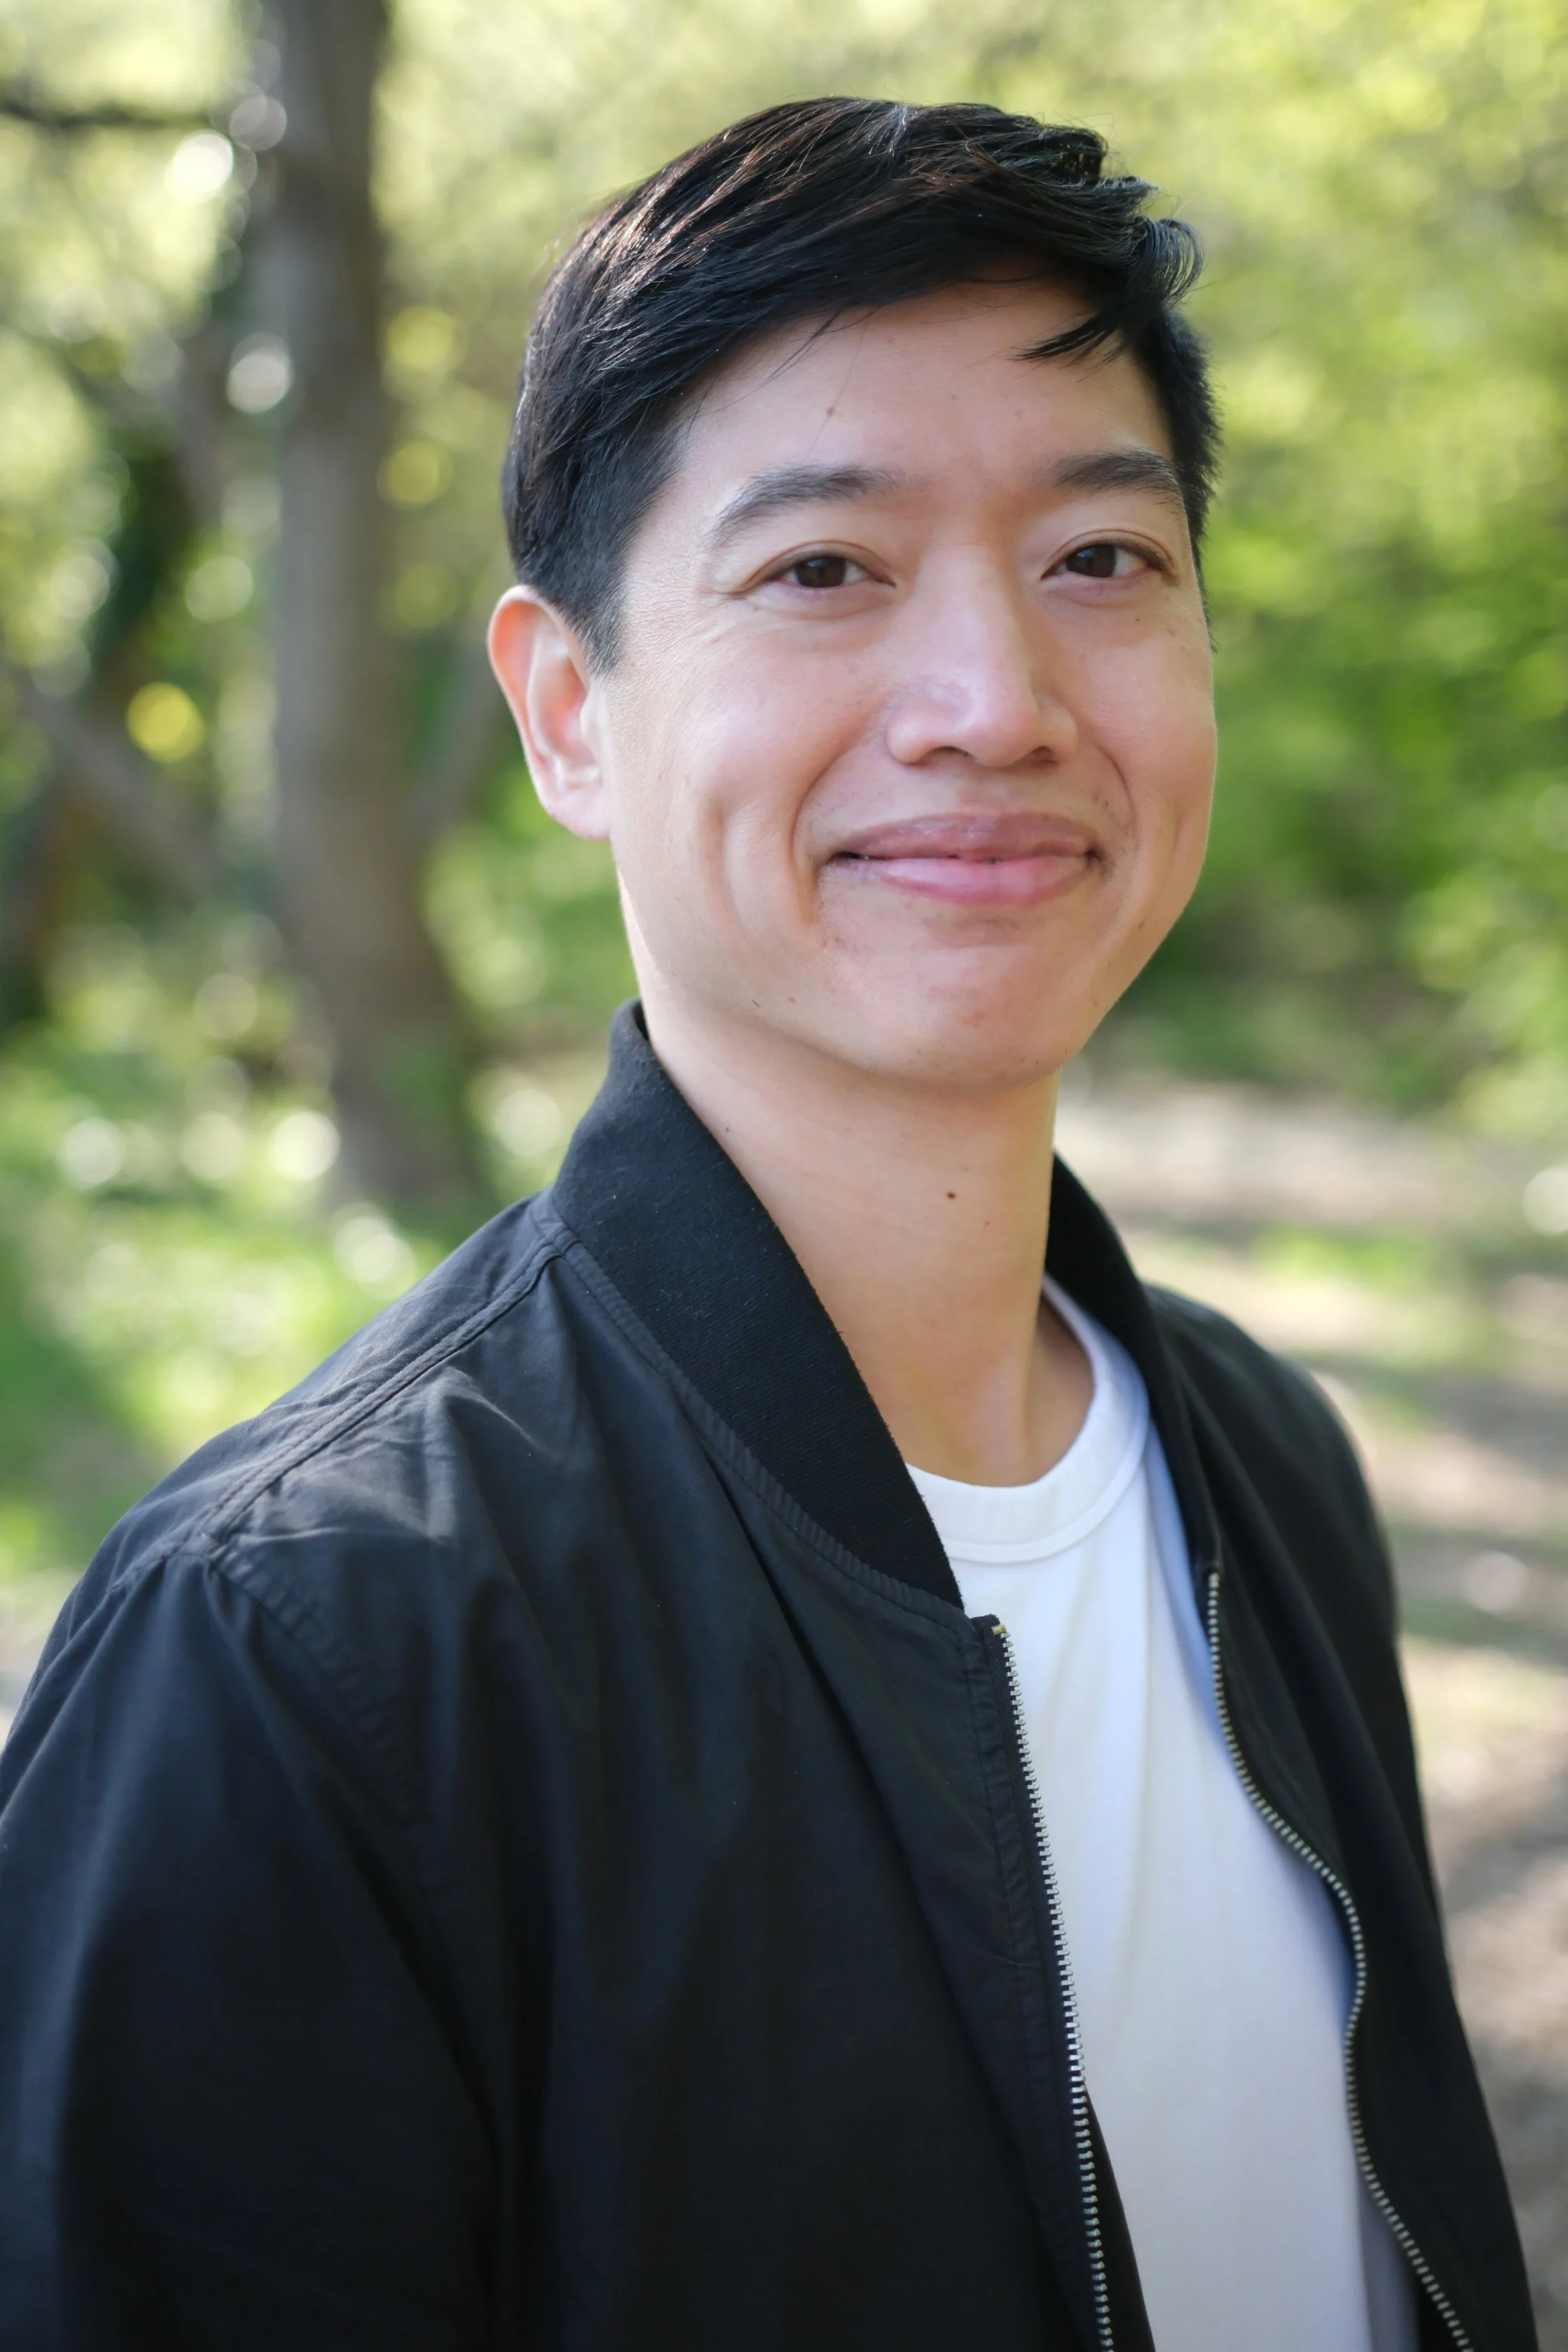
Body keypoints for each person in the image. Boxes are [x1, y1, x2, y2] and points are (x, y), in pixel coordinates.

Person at [0, 97, 1533, 2352]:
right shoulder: (304, 1657)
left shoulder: (1260, 1466)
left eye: (1099, 560)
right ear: (566, 711)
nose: (994, 704)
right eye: (824, 568)